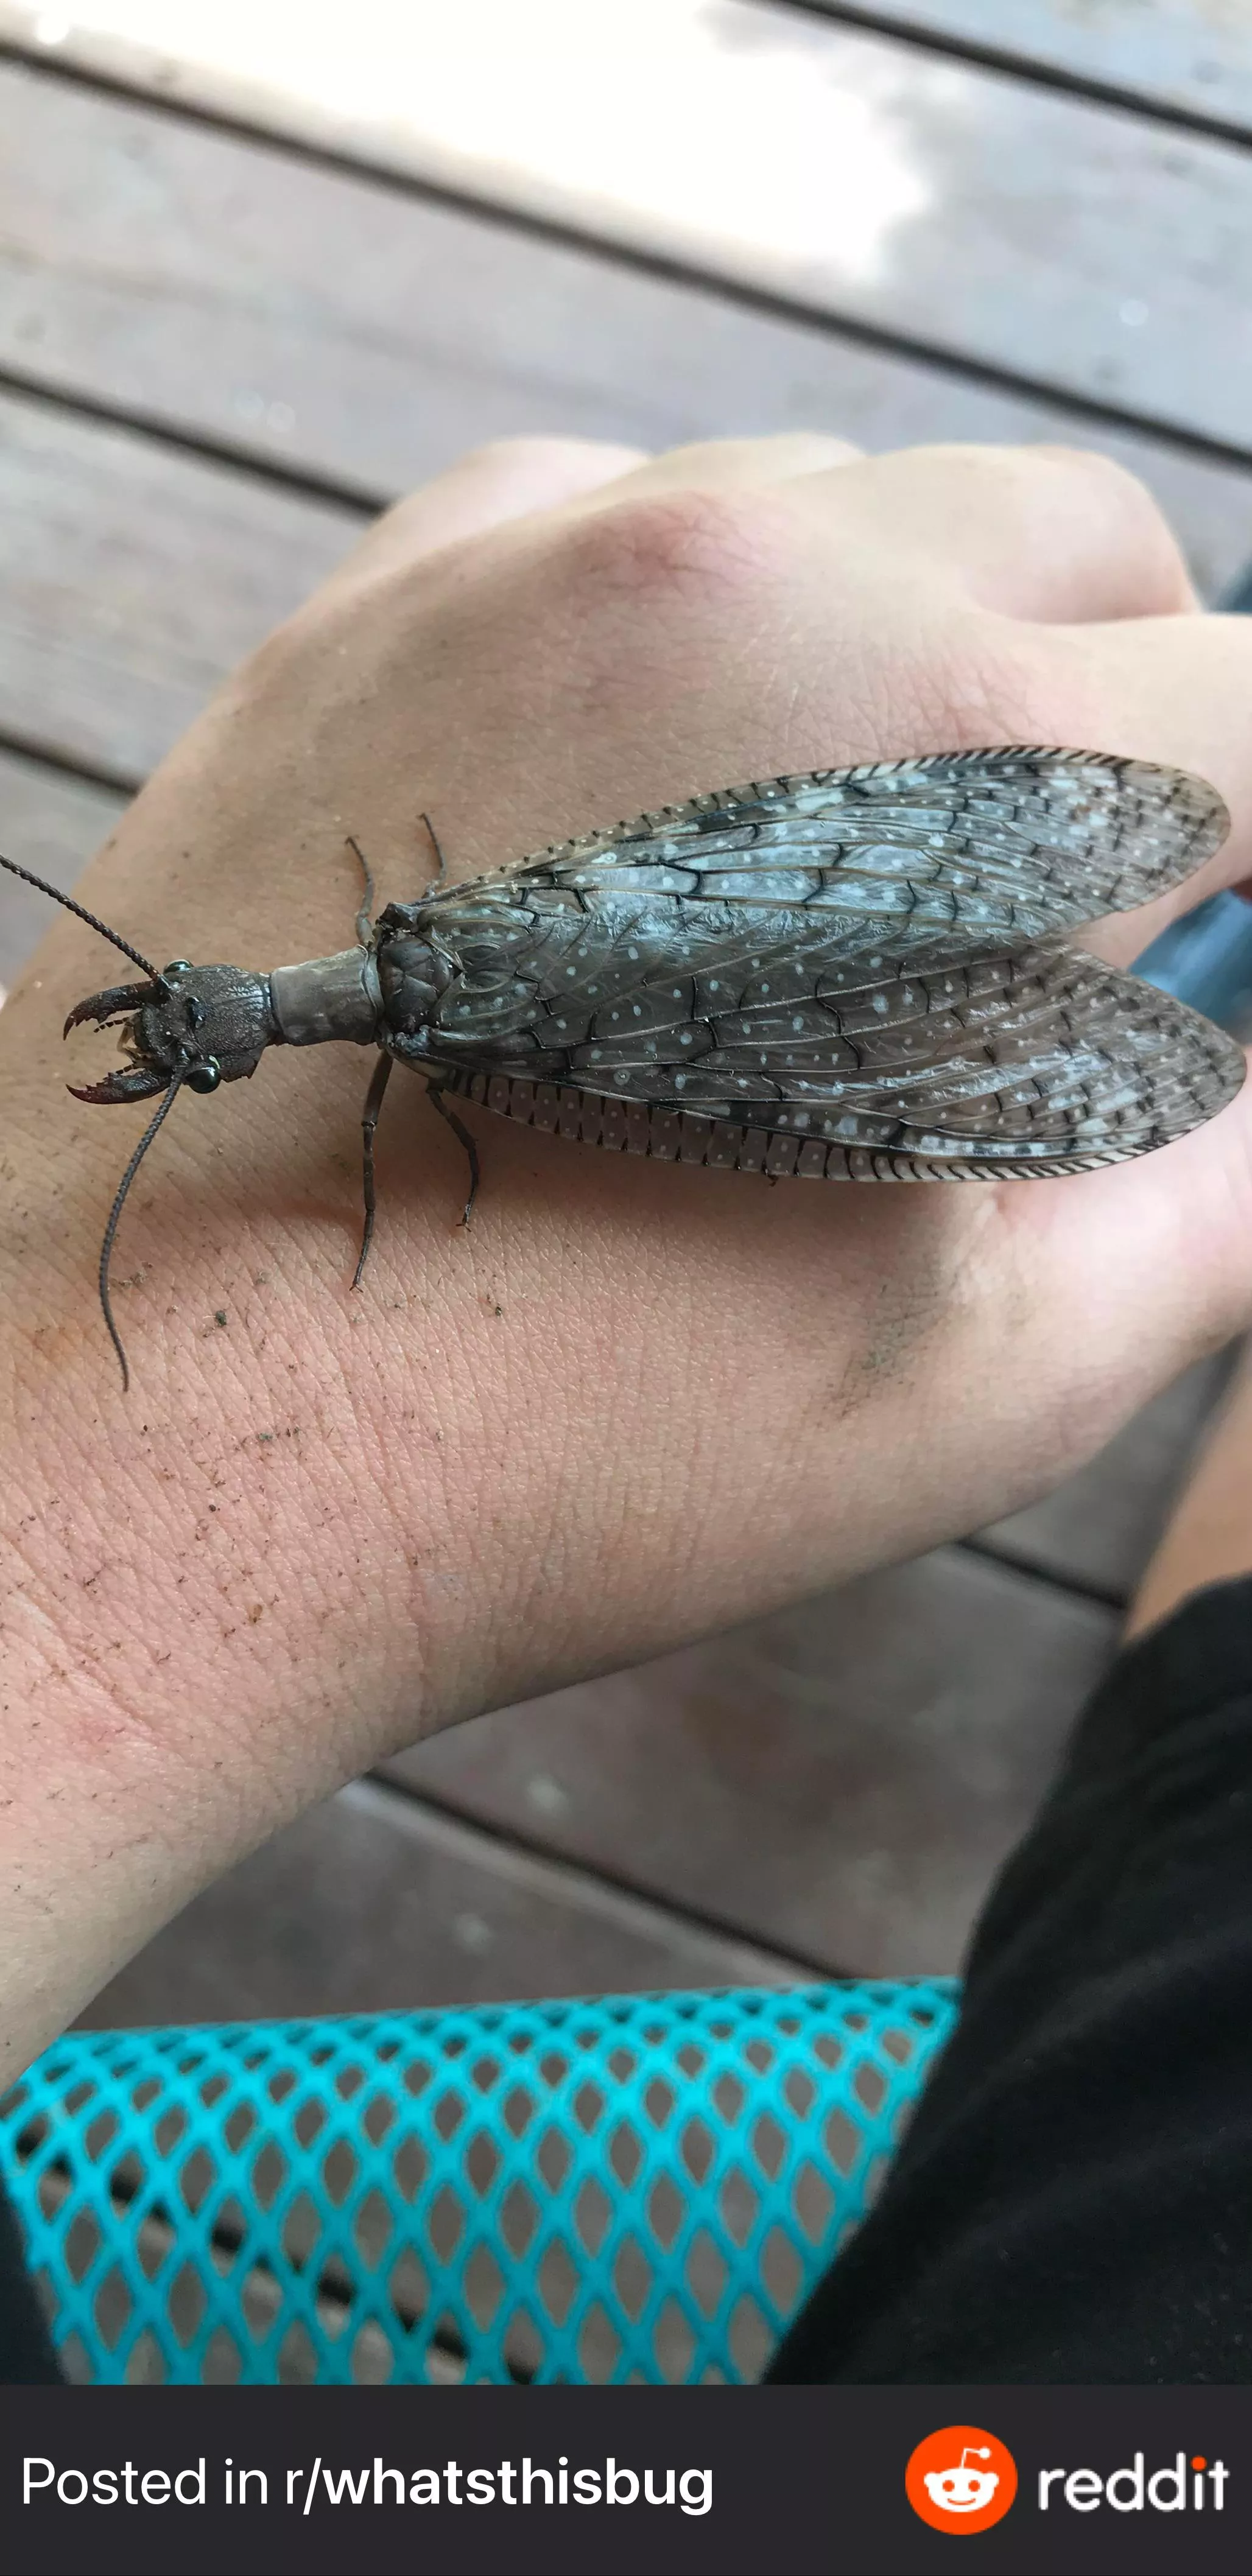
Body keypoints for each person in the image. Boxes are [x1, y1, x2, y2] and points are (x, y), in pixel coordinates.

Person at [2, 432, 1252, 2383]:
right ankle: (1158, 953)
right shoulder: (426, 972)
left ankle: (1154, 954)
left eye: (219, 1022)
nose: (224, 1032)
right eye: (217, 1036)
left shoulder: (440, 1020)